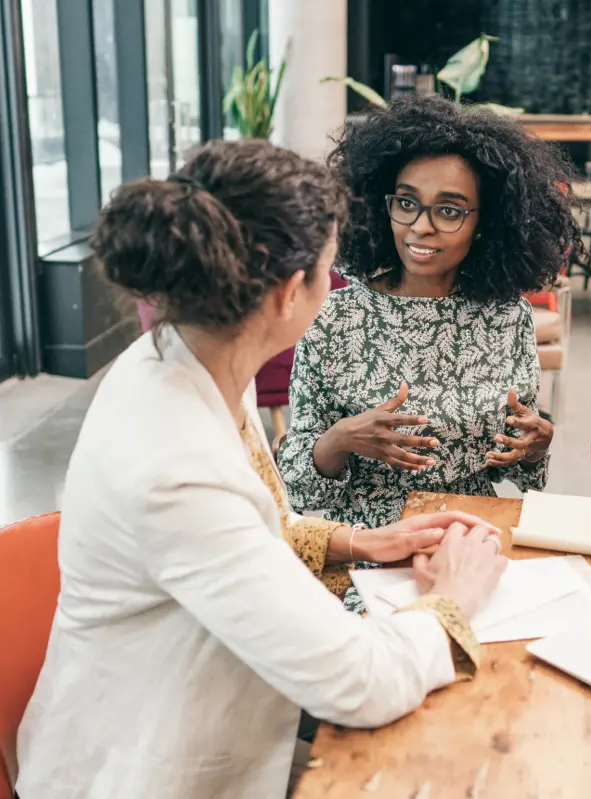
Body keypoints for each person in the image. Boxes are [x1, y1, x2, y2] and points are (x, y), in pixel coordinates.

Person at [15, 140, 508, 799]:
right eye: (329, 269)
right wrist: (453, 599)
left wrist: (354, 540)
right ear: (286, 294)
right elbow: (357, 682)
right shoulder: (172, 466)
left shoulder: (194, 354)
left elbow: (249, 519)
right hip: (136, 768)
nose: (334, 286)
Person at [277, 96, 581, 541]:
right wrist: (341, 438)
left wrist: (536, 447)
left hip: (473, 530)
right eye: (406, 203)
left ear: (484, 223)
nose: (420, 226)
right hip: (369, 541)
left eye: (449, 210)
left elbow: (522, 472)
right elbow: (297, 486)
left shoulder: (506, 317)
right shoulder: (335, 318)